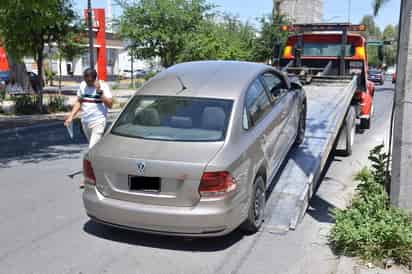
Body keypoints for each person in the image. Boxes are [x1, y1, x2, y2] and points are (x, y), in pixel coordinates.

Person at [64, 68, 113, 149]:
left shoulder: (103, 86)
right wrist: (71, 117)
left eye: (89, 81)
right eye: (85, 80)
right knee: (95, 148)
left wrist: (99, 92)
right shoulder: (83, 85)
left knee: (92, 148)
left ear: (95, 79)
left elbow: (110, 105)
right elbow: (79, 102)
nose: (87, 83)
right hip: (85, 122)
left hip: (98, 121)